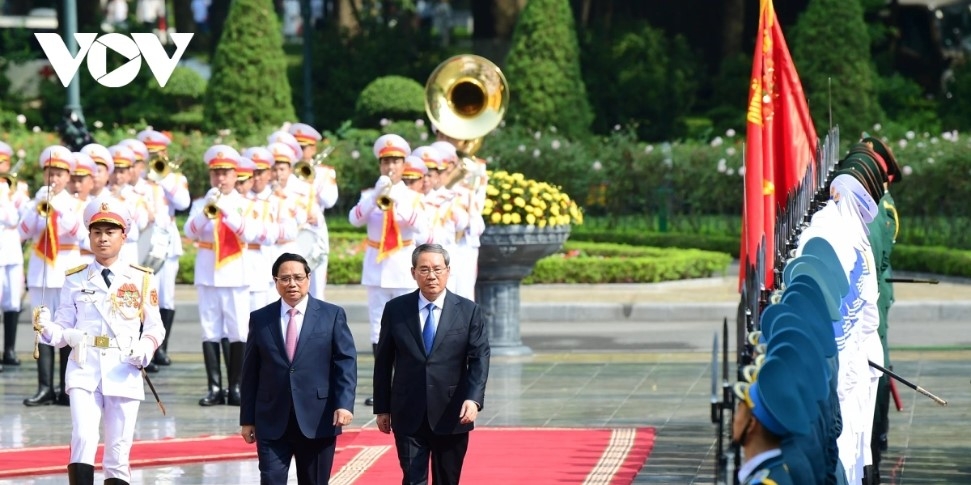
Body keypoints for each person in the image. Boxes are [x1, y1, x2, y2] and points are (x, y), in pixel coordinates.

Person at [34, 195, 165, 485]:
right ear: (89, 236)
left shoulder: (141, 278)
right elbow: (62, 329)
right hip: (84, 365)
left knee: (118, 451)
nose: (102, 239)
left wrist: (145, 348)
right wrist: (45, 327)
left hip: (123, 367)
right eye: (96, 232)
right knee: (83, 436)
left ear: (124, 236)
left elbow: (156, 326)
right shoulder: (75, 278)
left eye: (110, 232)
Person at [373, 243, 490, 485]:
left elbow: (479, 358)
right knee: (413, 479)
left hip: (453, 410)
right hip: (407, 410)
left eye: (437, 269)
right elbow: (383, 361)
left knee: (447, 479)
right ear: (413, 272)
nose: (431, 276)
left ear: (448, 271)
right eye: (424, 269)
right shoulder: (396, 309)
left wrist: (474, 398)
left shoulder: (468, 311)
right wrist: (382, 407)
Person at [240, 252, 356, 484]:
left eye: (297, 277)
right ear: (276, 282)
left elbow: (345, 362)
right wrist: (247, 419)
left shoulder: (331, 315)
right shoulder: (261, 319)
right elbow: (250, 372)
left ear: (308, 278)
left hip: (318, 419)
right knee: (271, 479)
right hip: (271, 419)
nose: (292, 284)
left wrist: (344, 404)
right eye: (285, 278)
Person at [349, 133, 429, 406]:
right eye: (386, 162)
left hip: (403, 267)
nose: (390, 167)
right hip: (377, 269)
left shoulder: (413, 197)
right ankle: (382, 387)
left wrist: (396, 199)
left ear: (404, 164)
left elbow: (421, 227)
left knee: (409, 327)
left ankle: (408, 384)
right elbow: (355, 219)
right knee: (377, 329)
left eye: (395, 161)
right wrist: (376, 196)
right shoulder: (370, 195)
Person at [184, 145, 262, 407]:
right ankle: (214, 387)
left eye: (226, 173)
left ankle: (236, 386)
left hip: (235, 273)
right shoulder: (201, 203)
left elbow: (250, 233)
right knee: (210, 331)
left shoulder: (244, 204)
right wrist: (208, 211)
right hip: (208, 273)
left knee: (238, 330)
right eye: (216, 173)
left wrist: (225, 211)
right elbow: (190, 231)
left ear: (235, 175)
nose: (220, 179)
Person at [20, 146, 85, 406]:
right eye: (50, 172)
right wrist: (38, 208)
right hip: (42, 273)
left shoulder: (76, 203)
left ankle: (66, 388)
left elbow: (80, 234)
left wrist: (58, 208)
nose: (54, 178)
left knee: (67, 328)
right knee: (42, 327)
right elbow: (24, 231)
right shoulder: (35, 201)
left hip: (67, 270)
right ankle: (45, 387)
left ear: (68, 176)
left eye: (59, 173)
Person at [0, 141, 30, 369]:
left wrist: (12, 196)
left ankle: (9, 350)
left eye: (4, 162)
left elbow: (23, 217)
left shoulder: (18, 188)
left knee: (12, 301)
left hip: (11, 248)